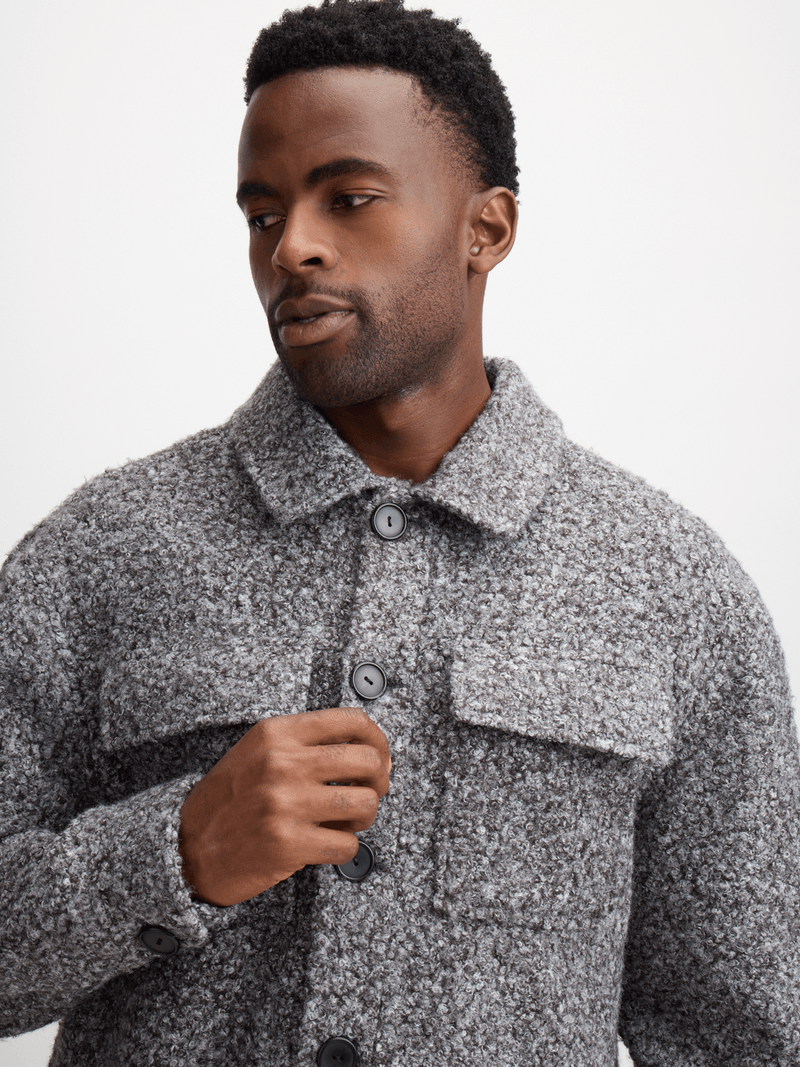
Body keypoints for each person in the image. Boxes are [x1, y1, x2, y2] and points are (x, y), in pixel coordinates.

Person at [1, 0, 798, 1064]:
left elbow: (742, 1031)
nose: (293, 246)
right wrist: (173, 853)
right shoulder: (97, 554)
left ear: (487, 229)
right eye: (262, 213)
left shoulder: (676, 590)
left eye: (349, 199)